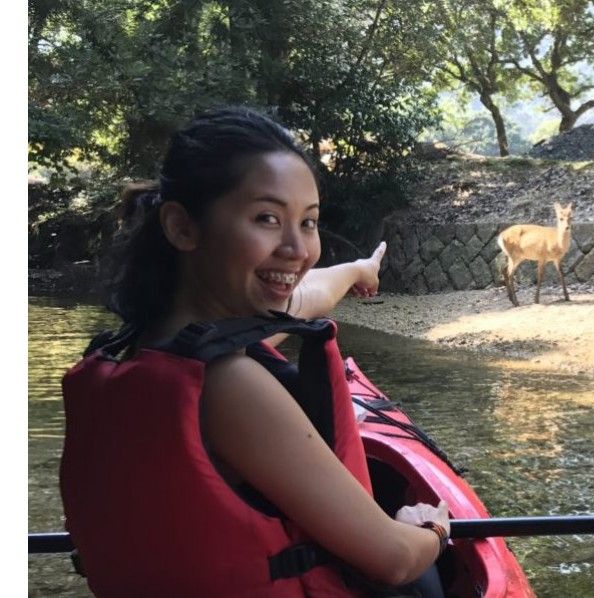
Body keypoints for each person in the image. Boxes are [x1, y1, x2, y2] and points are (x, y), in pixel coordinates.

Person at [59, 106, 450, 597]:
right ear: (182, 227)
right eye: (267, 218)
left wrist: (355, 270)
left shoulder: (139, 353)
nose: (299, 248)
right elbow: (393, 560)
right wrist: (431, 529)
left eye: (308, 223)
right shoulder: (230, 387)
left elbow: (304, 297)